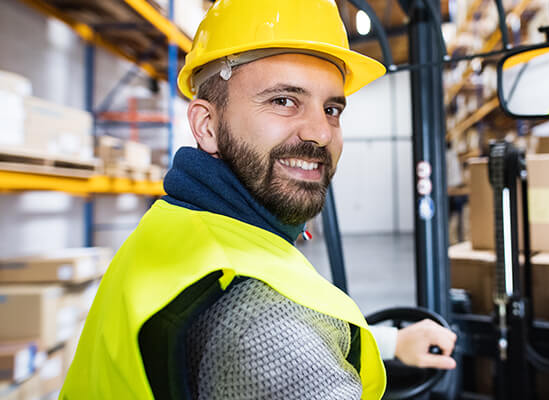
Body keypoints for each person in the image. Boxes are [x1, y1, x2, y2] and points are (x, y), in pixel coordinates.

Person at [61, 1, 456, 399]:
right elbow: (275, 340)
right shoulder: (264, 322)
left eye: (332, 108)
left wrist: (391, 343)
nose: (320, 132)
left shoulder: (176, 225)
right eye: (284, 100)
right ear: (207, 125)